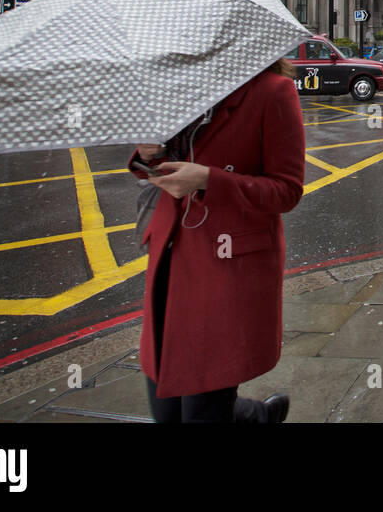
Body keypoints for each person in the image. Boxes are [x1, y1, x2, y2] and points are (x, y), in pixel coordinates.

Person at [130, 56, 306, 423]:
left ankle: (249, 414)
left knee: (201, 406)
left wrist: (210, 180)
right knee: (165, 408)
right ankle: (253, 415)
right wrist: (151, 155)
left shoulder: (273, 91)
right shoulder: (175, 86)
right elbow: (164, 168)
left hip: (226, 267)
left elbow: (287, 191)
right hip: (170, 257)